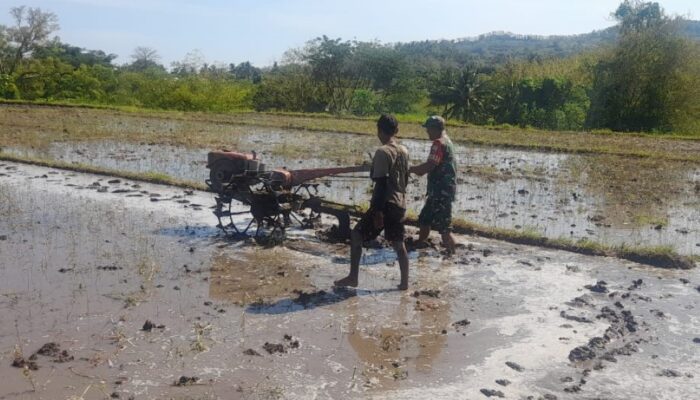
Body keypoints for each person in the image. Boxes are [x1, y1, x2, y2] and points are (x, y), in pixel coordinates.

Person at [334, 114, 410, 290]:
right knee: (399, 244)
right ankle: (405, 283)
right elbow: (405, 178)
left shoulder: (382, 152)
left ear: (379, 130)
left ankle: (353, 277)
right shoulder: (404, 151)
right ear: (396, 131)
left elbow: (381, 184)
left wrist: (377, 212)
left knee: (356, 234)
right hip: (400, 203)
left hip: (385, 203)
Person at [409, 115, 457, 255]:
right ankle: (420, 243)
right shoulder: (447, 141)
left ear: (435, 129)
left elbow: (428, 166)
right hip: (439, 190)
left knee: (444, 228)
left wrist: (409, 169)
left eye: (428, 129)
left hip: (441, 192)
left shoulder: (438, 143)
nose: (427, 132)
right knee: (425, 218)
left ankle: (452, 256)